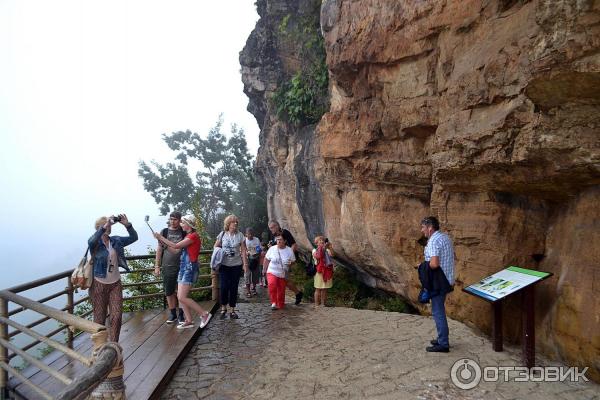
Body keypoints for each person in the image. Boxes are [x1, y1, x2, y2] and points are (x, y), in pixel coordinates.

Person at [154, 214, 211, 330]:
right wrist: (163, 244)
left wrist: (160, 237)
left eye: (183, 223)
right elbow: (175, 251)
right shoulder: (189, 236)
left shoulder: (193, 236)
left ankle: (204, 314)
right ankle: (189, 320)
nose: (181, 224)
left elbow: (175, 245)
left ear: (188, 224)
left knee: (182, 297)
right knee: (180, 297)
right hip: (184, 267)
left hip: (189, 268)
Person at [88, 214, 138, 342]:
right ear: (99, 227)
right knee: (99, 318)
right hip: (99, 284)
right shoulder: (95, 244)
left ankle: (113, 345)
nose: (109, 226)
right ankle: (99, 346)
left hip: (115, 283)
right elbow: (91, 241)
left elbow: (134, 237)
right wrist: (104, 227)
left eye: (109, 224)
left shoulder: (115, 240)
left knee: (116, 316)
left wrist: (127, 225)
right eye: (106, 224)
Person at [420, 216, 455, 353]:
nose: (422, 230)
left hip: (438, 281)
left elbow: (434, 264)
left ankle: (443, 343)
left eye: (423, 227)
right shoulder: (445, 237)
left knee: (437, 311)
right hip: (447, 279)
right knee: (439, 309)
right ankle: (442, 338)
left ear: (430, 227)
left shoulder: (433, 241)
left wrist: (422, 266)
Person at [153, 211, 186, 324]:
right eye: (171, 219)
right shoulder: (165, 231)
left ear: (180, 220)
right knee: (169, 291)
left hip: (182, 266)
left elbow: (179, 250)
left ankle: (181, 315)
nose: (173, 221)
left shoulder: (184, 231)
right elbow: (159, 249)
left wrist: (163, 241)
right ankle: (173, 314)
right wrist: (157, 265)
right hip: (167, 266)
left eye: (175, 219)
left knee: (181, 292)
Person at [215, 215, 248, 319]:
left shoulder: (240, 235)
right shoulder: (222, 234)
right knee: (224, 287)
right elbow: (216, 246)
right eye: (233, 222)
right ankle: (223, 308)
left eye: (236, 222)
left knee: (233, 288)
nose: (235, 224)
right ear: (228, 224)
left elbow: (243, 250)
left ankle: (232, 310)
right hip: (224, 265)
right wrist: (220, 254)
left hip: (236, 266)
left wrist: (245, 264)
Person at [267, 220, 303, 305]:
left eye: (272, 227)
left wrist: (290, 255)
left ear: (277, 226)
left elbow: (294, 245)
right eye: (270, 228)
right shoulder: (273, 235)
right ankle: (297, 293)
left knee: (284, 279)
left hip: (287, 261)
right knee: (284, 280)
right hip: (278, 262)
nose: (271, 230)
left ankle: (296, 294)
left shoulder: (285, 232)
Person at [263, 235, 296, 310]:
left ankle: (280, 304)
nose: (278, 241)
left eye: (280, 239)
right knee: (272, 284)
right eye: (277, 240)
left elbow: (293, 261)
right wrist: (264, 269)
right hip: (272, 271)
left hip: (282, 273)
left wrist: (290, 264)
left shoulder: (289, 250)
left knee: (281, 290)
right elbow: (266, 259)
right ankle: (274, 302)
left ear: (285, 241)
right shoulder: (272, 248)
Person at [312, 236, 334, 308]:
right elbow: (319, 256)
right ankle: (316, 304)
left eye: (323, 240)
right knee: (318, 288)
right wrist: (324, 248)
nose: (322, 241)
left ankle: (323, 304)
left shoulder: (327, 250)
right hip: (319, 272)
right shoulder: (314, 250)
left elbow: (333, 255)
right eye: (320, 240)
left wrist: (330, 247)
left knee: (325, 288)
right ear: (316, 243)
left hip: (327, 270)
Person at [244, 228, 261, 297]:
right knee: (247, 275)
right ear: (246, 234)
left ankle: (254, 288)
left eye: (251, 234)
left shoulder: (256, 239)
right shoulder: (244, 240)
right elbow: (242, 250)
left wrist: (257, 253)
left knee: (255, 275)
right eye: (249, 234)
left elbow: (259, 249)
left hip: (255, 259)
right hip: (247, 260)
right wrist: (246, 253)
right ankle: (248, 291)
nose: (250, 235)